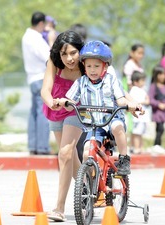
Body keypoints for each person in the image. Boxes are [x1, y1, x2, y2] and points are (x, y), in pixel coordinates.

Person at [58, 41, 142, 177]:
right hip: (94, 124)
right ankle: (89, 184)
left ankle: (124, 159)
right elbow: (70, 102)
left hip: (111, 118)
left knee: (117, 127)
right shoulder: (81, 82)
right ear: (84, 66)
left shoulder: (111, 80)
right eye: (89, 66)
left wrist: (130, 105)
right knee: (86, 152)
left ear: (105, 66)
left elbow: (120, 100)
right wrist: (64, 102)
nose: (92, 70)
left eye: (97, 66)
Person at [40, 30, 86, 222]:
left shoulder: (86, 65)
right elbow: (45, 89)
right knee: (70, 156)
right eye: (64, 53)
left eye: (73, 53)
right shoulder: (54, 63)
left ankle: (59, 208)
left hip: (76, 110)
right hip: (56, 108)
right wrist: (52, 102)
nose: (69, 58)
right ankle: (87, 187)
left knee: (65, 153)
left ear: (80, 51)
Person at [21, 12, 51, 155]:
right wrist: (51, 41)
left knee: (34, 112)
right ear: (40, 24)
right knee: (43, 112)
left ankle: (33, 145)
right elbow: (48, 57)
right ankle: (42, 147)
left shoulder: (26, 37)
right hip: (40, 77)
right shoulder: (36, 39)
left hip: (32, 78)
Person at [148, 65, 165, 153]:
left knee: (162, 129)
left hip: (164, 112)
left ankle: (158, 145)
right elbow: (151, 99)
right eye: (160, 74)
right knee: (159, 128)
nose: (163, 76)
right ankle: (156, 145)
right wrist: (158, 104)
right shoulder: (154, 86)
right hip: (157, 112)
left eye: (164, 74)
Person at [128, 71, 149, 154]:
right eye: (142, 81)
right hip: (137, 117)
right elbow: (136, 101)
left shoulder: (141, 90)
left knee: (140, 133)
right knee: (137, 132)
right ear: (136, 82)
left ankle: (139, 147)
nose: (144, 83)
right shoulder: (134, 90)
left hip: (142, 117)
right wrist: (145, 101)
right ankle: (136, 147)